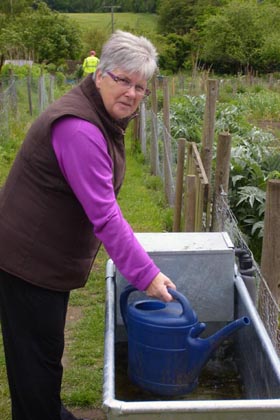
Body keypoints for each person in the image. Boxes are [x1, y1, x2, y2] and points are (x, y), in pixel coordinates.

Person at [0, 30, 176, 420]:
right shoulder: (79, 128)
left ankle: (46, 408)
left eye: (140, 87)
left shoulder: (96, 115)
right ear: (100, 75)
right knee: (35, 360)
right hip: (26, 262)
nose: (131, 93)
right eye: (123, 80)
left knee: (39, 355)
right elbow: (105, 215)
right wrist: (146, 274)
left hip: (41, 258)